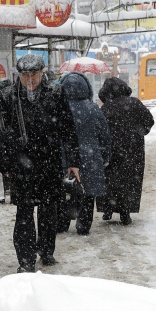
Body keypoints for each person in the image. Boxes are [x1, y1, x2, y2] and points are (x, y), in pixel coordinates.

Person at [0, 55, 80, 273]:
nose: (30, 78)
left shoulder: (55, 94)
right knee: (24, 213)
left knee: (48, 209)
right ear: (18, 75)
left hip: (49, 162)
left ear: (42, 73)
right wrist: (5, 165)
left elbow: (68, 129)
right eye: (25, 75)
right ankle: (26, 259)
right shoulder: (8, 97)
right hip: (21, 165)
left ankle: (46, 249)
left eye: (34, 74)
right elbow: (1, 134)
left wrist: (72, 161)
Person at [97, 77, 155, 225]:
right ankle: (125, 213)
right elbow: (149, 120)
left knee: (110, 180)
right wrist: (140, 132)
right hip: (133, 150)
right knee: (129, 181)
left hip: (111, 150)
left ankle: (107, 210)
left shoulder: (106, 107)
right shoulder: (134, 103)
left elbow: (99, 129)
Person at [59, 72, 111, 236]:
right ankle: (83, 224)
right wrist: (105, 156)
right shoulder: (93, 108)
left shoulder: (59, 108)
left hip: (64, 156)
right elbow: (104, 135)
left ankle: (62, 222)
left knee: (64, 190)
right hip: (91, 157)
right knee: (88, 192)